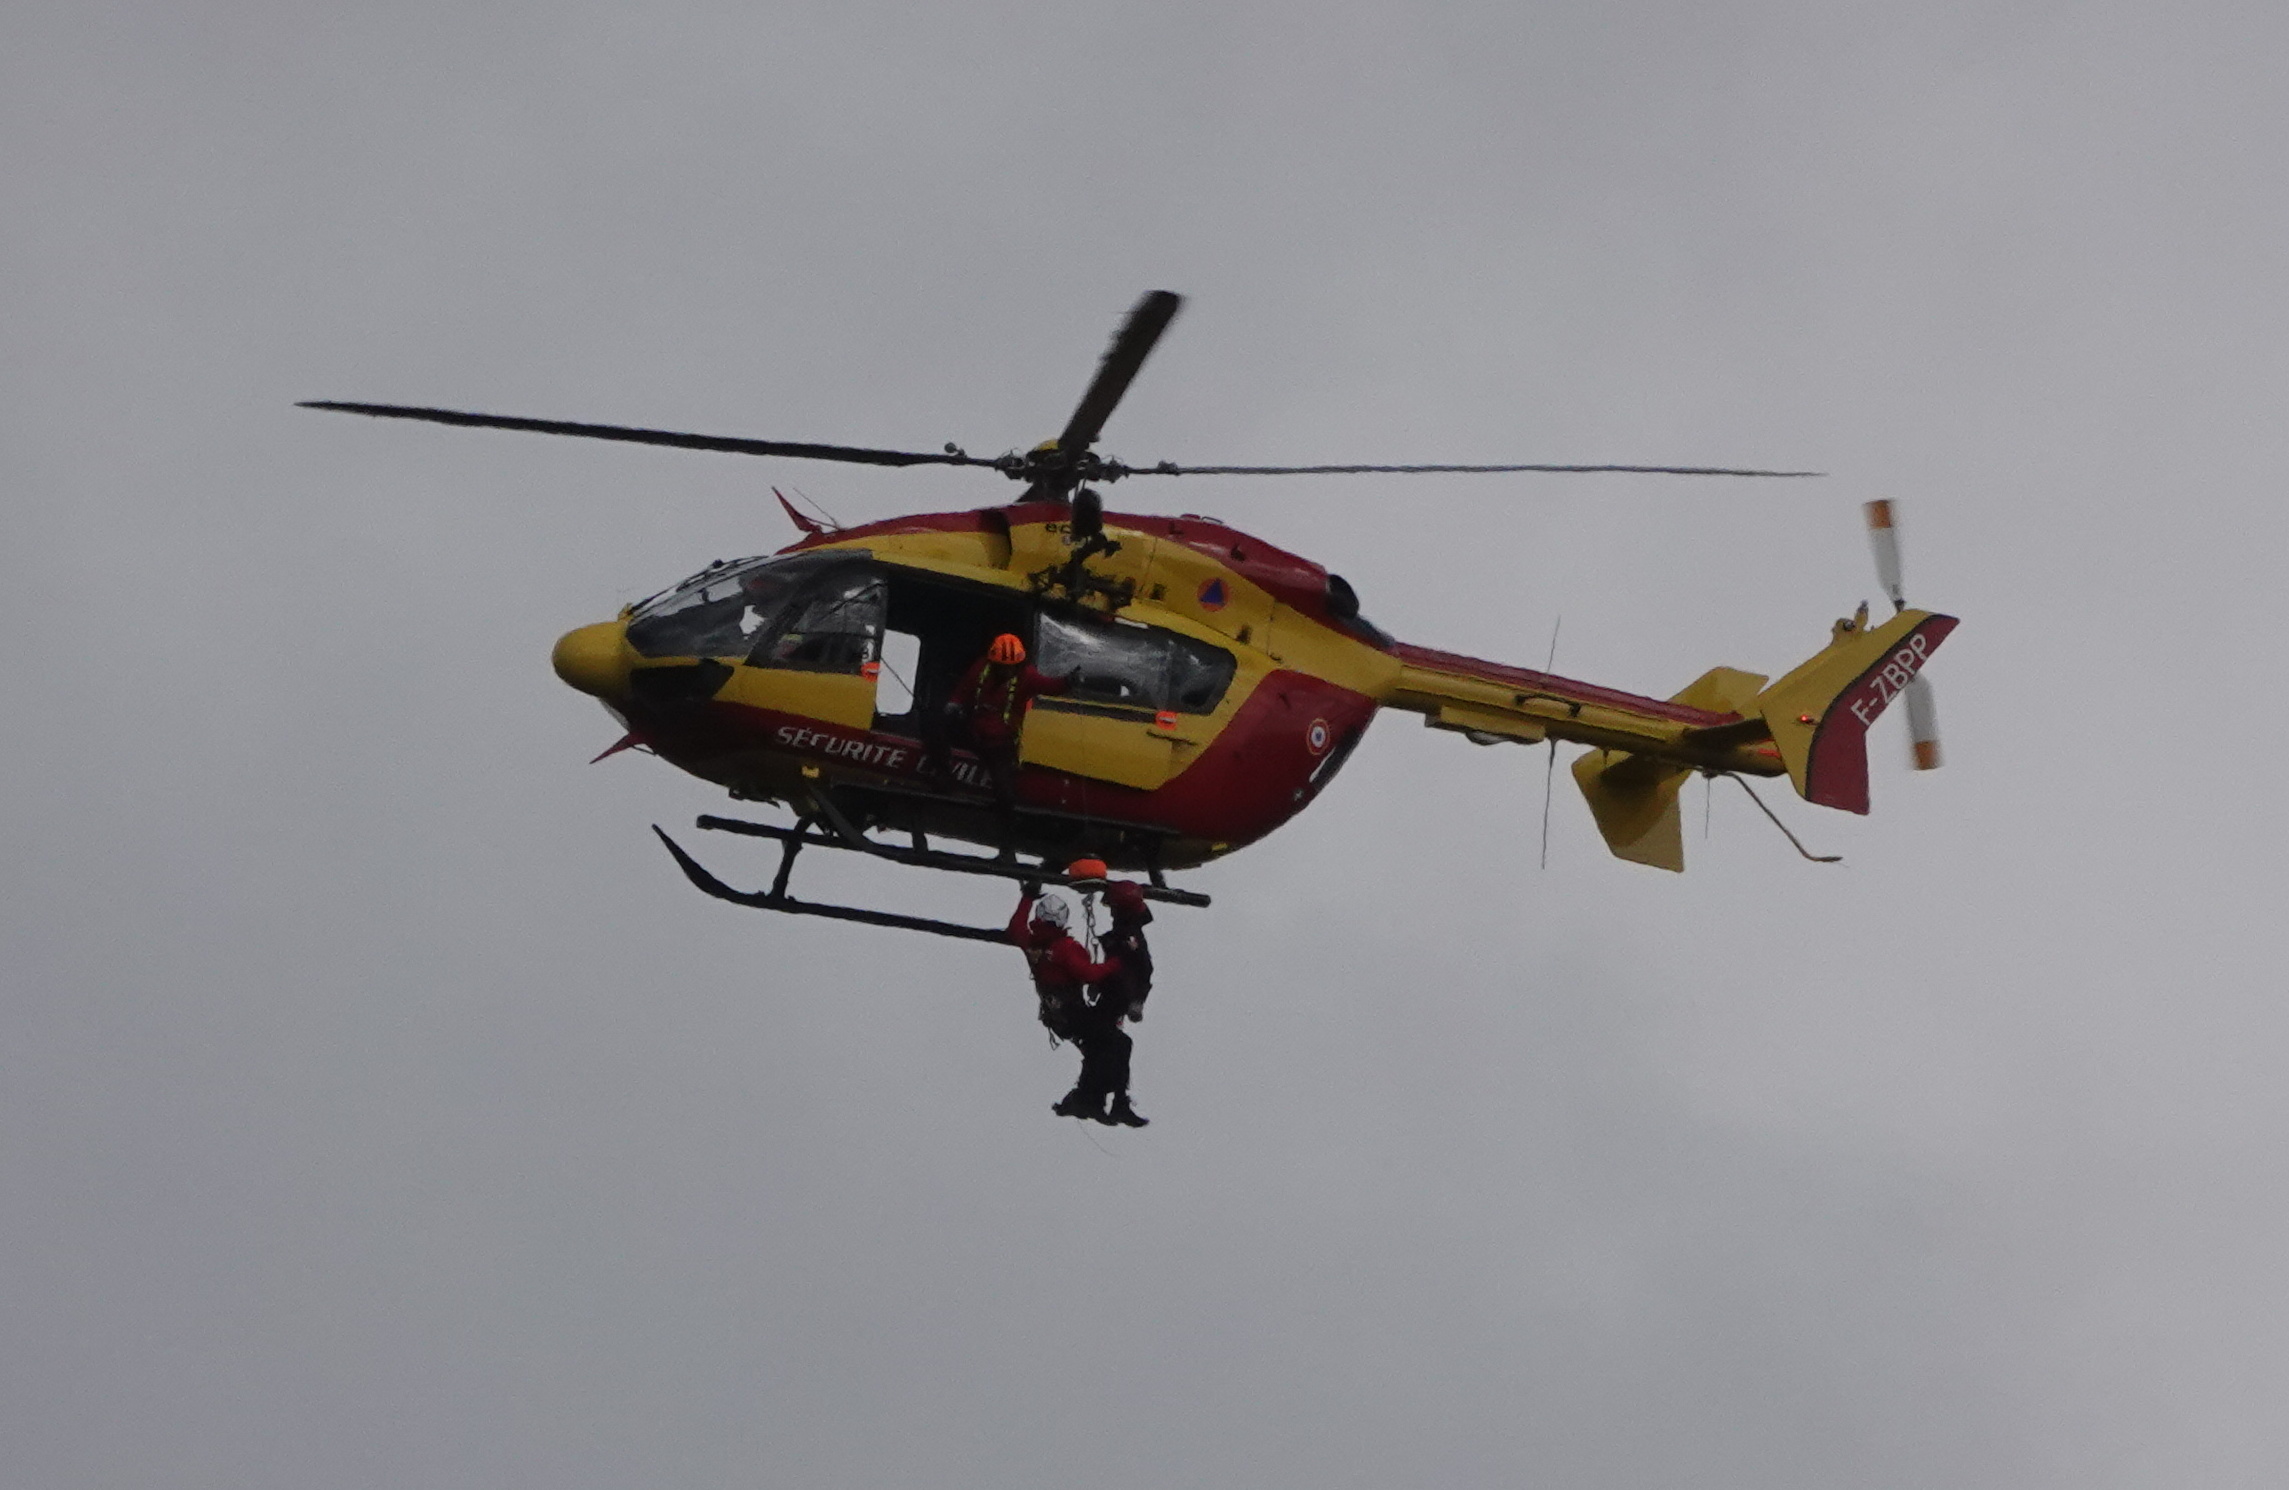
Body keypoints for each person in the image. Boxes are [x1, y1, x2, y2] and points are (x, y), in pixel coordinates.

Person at [1005, 885, 1145, 1126]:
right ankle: (1114, 1102)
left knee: (1098, 1049)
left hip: (1058, 1019)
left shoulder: (1032, 943)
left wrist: (1027, 896)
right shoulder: (1064, 948)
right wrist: (1114, 964)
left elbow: (1016, 926)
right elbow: (1089, 974)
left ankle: (1090, 1100)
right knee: (1121, 1043)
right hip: (1075, 1016)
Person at [946, 633, 1073, 813]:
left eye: (1011, 667)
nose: (1006, 671)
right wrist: (954, 704)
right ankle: (944, 779)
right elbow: (964, 688)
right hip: (974, 731)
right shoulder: (981, 668)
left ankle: (1004, 813)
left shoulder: (1027, 676)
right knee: (941, 734)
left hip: (1000, 742)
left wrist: (1067, 682)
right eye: (1002, 667)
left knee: (1002, 782)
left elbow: (1048, 686)